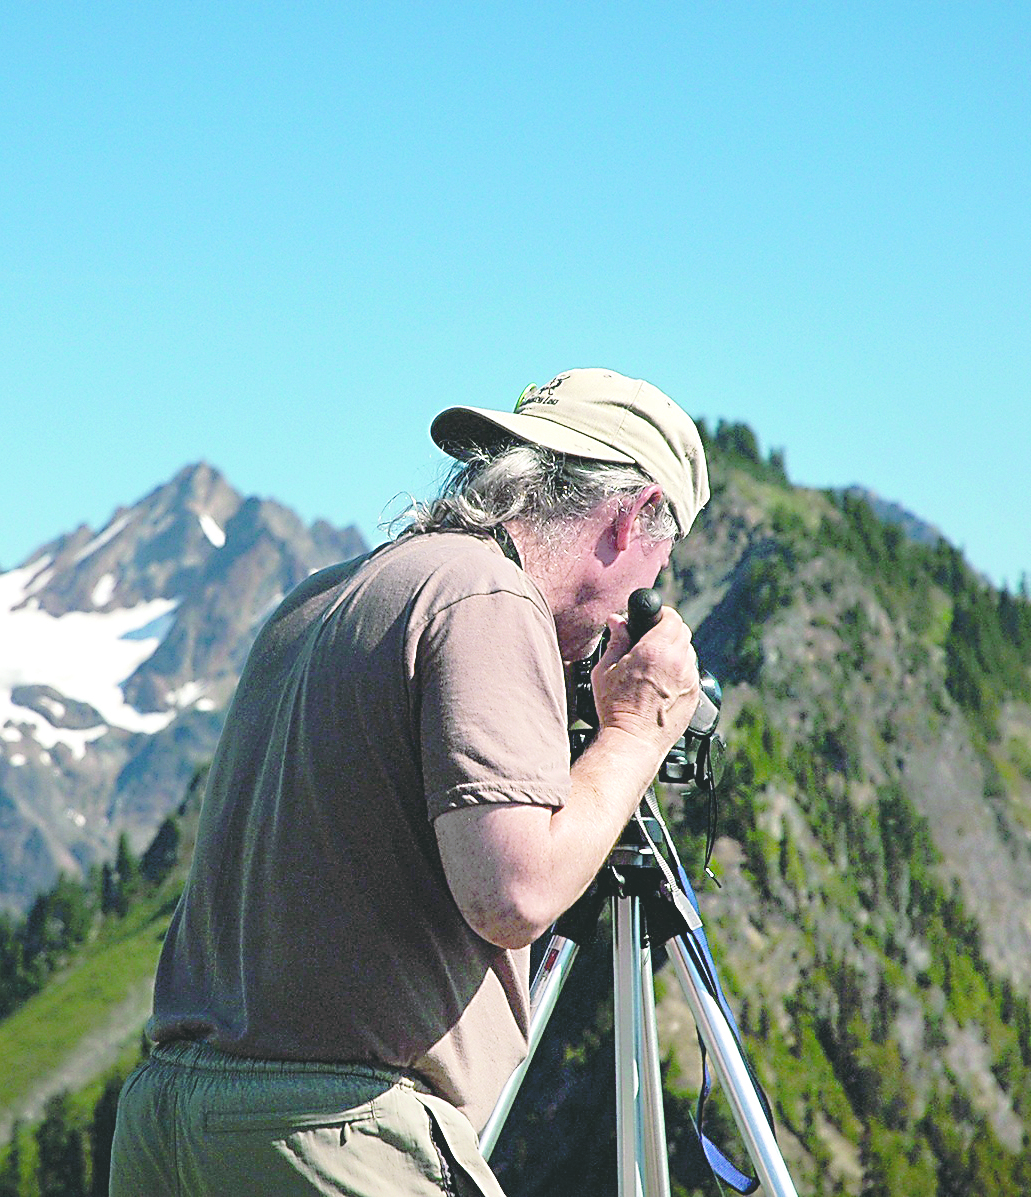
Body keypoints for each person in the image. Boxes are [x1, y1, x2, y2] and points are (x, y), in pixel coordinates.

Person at [109, 368, 712, 1197]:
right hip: (330, 1135)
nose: (640, 603)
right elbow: (514, 892)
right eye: (658, 565)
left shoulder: (319, 599)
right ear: (634, 515)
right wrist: (636, 728)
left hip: (172, 1125)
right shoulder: (486, 592)